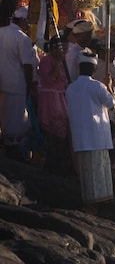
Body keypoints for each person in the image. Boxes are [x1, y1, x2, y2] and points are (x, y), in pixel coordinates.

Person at [65, 51, 114, 210]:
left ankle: (90, 204)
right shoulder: (97, 86)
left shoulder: (71, 88)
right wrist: (109, 86)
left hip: (80, 138)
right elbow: (111, 102)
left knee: (87, 174)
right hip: (96, 138)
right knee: (98, 174)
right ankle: (98, 205)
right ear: (94, 69)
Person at [0, 6, 40, 160]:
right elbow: (28, 66)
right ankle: (14, 154)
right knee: (16, 121)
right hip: (16, 84)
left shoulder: (1, 32)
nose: (28, 25)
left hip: (3, 83)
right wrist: (29, 85)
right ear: (22, 21)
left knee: (5, 117)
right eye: (27, 22)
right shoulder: (22, 38)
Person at [37, 36, 72, 175]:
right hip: (50, 100)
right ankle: (50, 166)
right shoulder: (47, 61)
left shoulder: (64, 64)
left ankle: (58, 165)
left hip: (61, 100)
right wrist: (57, 63)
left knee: (61, 135)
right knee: (52, 134)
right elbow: (50, 78)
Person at [64, 19, 93, 85]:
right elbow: (71, 77)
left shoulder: (88, 51)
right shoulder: (72, 54)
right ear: (78, 35)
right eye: (87, 36)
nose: (90, 38)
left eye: (90, 35)